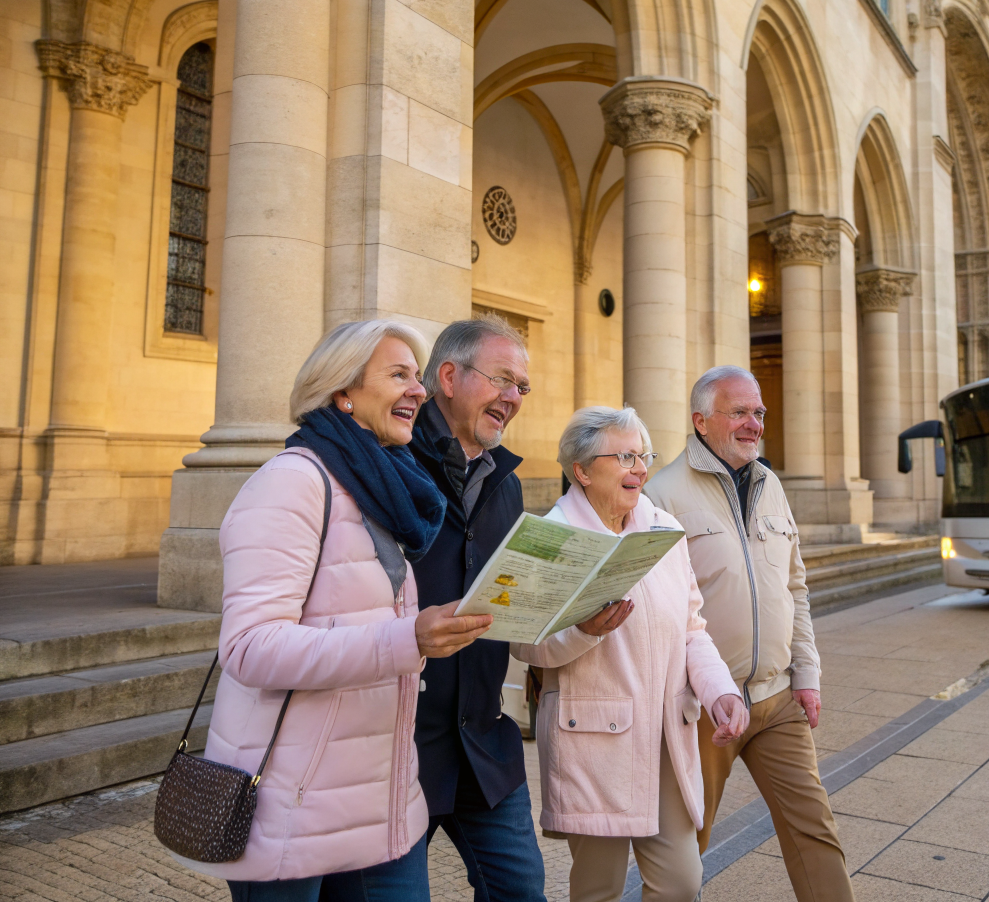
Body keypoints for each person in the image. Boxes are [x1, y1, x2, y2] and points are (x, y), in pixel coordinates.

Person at [174, 320, 493, 900]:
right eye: (398, 375)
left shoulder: (386, 488)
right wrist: (407, 641)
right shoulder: (292, 483)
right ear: (342, 391)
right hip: (292, 810)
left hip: (383, 803)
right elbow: (248, 647)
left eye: (417, 377)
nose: (419, 392)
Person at [512, 407, 749, 902]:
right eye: (623, 456)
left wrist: (720, 690)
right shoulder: (550, 538)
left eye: (643, 455)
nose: (640, 468)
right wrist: (584, 631)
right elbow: (526, 644)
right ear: (581, 470)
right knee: (600, 889)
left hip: (665, 737)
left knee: (682, 883)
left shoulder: (664, 529)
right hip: (595, 741)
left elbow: (692, 630)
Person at [646, 365, 855, 902]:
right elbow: (658, 612)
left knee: (816, 831)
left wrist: (805, 674)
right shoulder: (661, 496)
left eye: (758, 412)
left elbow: (795, 587)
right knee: (684, 856)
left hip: (776, 698)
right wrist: (698, 693)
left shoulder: (771, 484)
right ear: (700, 421)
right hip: (703, 707)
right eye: (738, 412)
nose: (753, 424)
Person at [407, 315, 546, 902]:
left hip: (484, 743)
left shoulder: (506, 480)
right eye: (502, 380)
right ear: (447, 376)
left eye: (522, 387)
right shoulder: (391, 459)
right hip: (401, 747)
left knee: (522, 892)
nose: (513, 398)